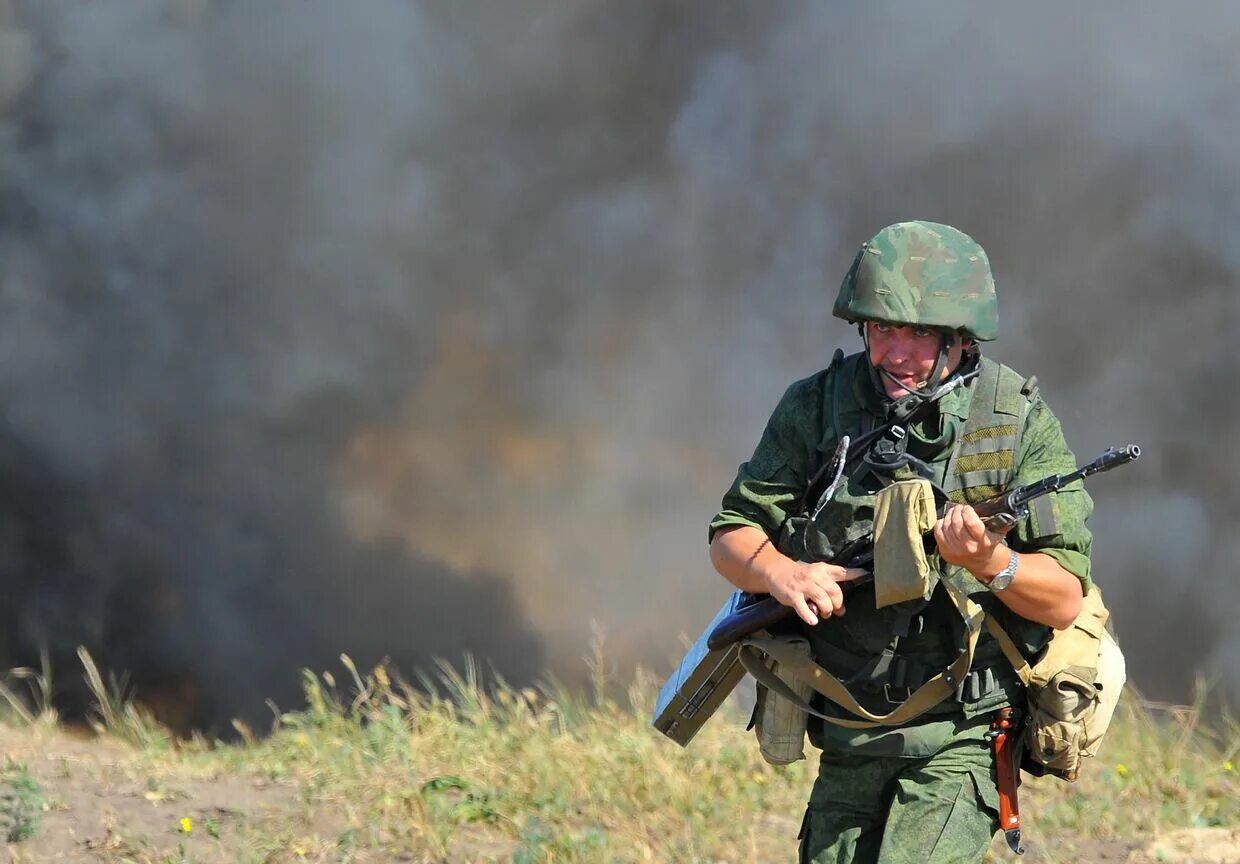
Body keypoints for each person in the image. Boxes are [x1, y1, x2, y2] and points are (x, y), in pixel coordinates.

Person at [708, 221, 1093, 863]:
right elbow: (731, 535)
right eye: (882, 328)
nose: (896, 353)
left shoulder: (1014, 417)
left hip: (962, 728)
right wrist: (783, 575)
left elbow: (1062, 601)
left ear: (960, 340)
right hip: (850, 724)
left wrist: (990, 561)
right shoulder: (818, 406)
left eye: (919, 334)